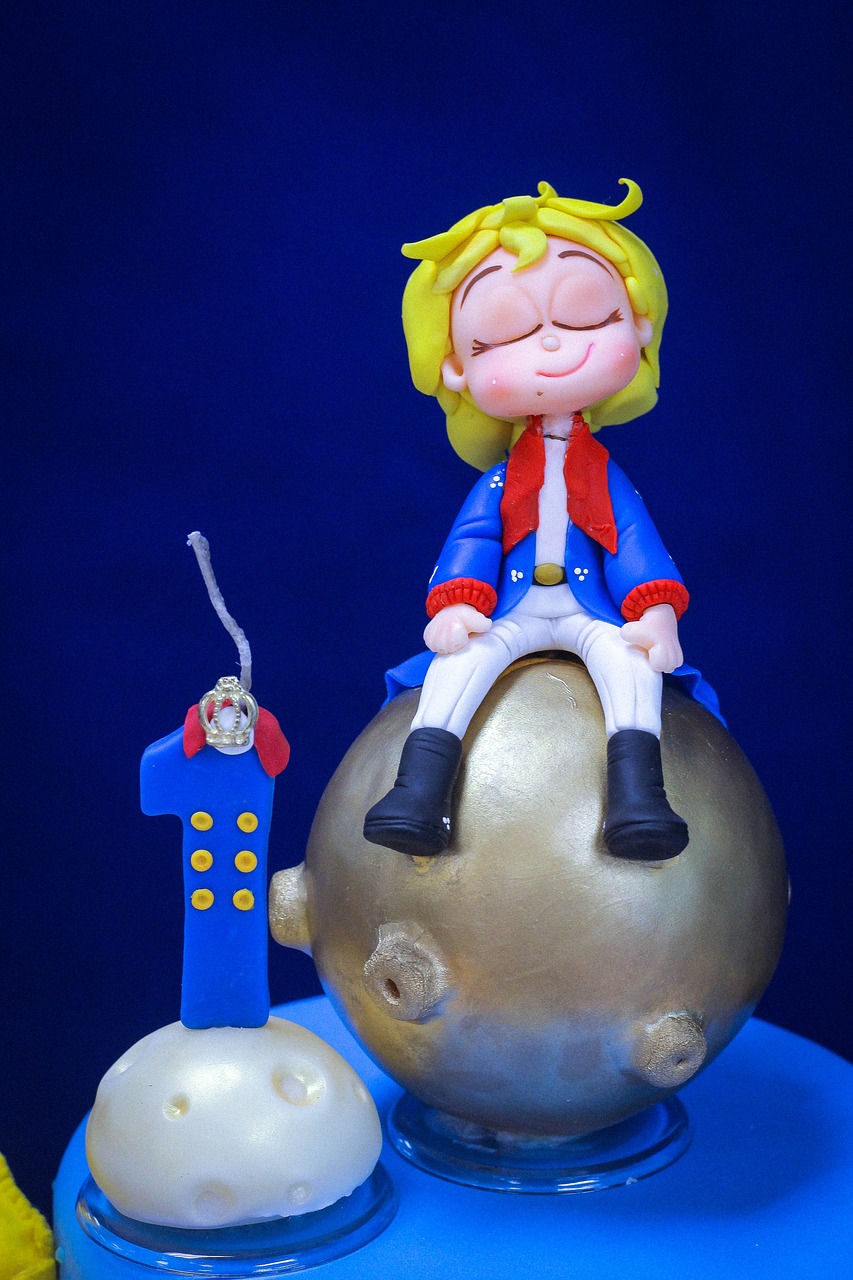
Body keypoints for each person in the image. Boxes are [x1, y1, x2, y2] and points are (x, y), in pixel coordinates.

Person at [364, 181, 719, 863]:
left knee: (631, 665)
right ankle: (416, 795)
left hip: (592, 609)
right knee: (458, 663)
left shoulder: (605, 476)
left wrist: (654, 611)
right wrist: (458, 603)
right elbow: (474, 539)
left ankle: (638, 801)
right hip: (511, 608)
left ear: (639, 324)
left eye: (586, 316)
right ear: (456, 367)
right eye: (506, 333)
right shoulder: (500, 482)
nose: (552, 344)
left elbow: (634, 542)